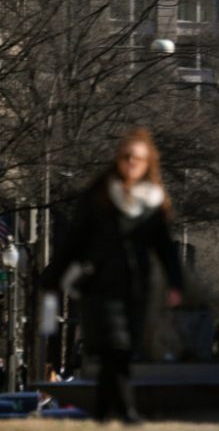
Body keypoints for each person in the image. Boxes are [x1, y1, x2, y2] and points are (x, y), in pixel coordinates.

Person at [42, 128, 183, 423]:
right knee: (114, 347)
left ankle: (103, 413)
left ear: (148, 164)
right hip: (100, 284)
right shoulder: (98, 197)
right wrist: (53, 277)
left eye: (139, 159)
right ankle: (126, 410)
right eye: (127, 157)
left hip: (136, 287)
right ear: (118, 160)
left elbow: (165, 248)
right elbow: (74, 241)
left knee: (123, 349)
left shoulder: (153, 203)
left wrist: (175, 283)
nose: (132, 162)